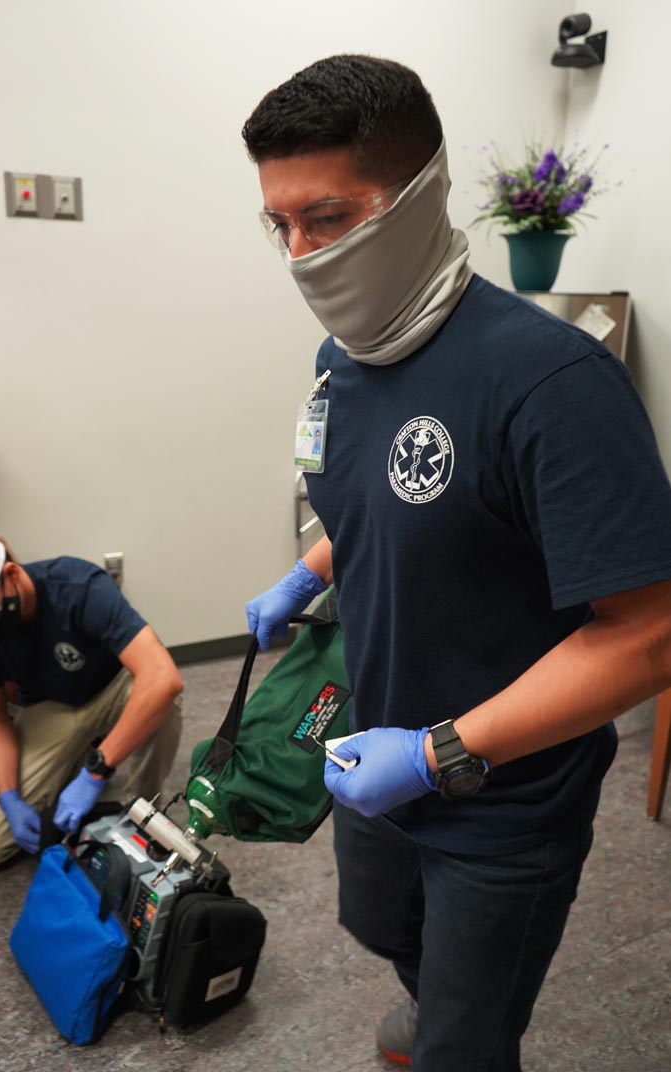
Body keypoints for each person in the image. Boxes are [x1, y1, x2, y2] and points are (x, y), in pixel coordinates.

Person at [241, 55, 671, 1071]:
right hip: (375, 740)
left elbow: (648, 635)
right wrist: (310, 571)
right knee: (380, 923)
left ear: (421, 195)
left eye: (327, 218)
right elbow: (385, 504)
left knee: (468, 1040)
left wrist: (441, 753)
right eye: (279, 226)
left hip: (501, 796)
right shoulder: (342, 362)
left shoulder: (553, 382)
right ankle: (433, 996)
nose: (300, 256)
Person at [0, 531, 184, 867]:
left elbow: (163, 678)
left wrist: (95, 773)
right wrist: (8, 797)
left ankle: (139, 807)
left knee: (162, 700)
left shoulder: (78, 587)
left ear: (11, 574)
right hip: (50, 706)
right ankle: (76, 763)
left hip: (113, 690)